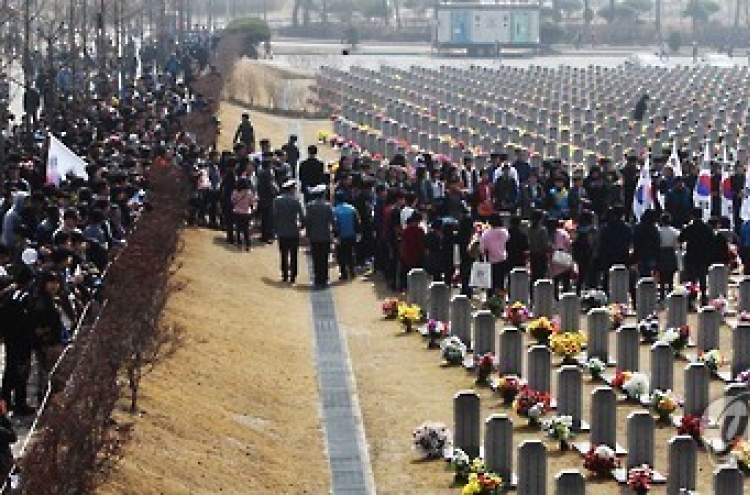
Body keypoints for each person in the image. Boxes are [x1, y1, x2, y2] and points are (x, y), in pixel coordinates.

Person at [679, 208, 715, 306]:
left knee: (692, 280)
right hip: (704, 257)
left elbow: (681, 239)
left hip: (691, 256)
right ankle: (704, 299)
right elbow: (712, 243)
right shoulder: (707, 228)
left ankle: (691, 301)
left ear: (692, 216)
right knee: (703, 279)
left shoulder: (689, 227)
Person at [273, 180, 305, 284]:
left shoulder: (277, 201)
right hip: (293, 230)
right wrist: (301, 227)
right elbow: (302, 216)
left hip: (282, 231)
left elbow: (274, 216)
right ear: (291, 189)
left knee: (283, 254)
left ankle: (285, 274)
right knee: (294, 255)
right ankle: (293, 276)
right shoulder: (296, 201)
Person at [305, 185, 335, 287]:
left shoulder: (309, 206)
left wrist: (308, 234)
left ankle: (317, 278)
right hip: (325, 235)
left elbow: (308, 221)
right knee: (324, 257)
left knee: (316, 257)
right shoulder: (328, 206)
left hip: (314, 236)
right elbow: (332, 221)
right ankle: (325, 278)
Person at [480, 213, 509, 298]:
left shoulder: (486, 234)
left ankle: (490, 301)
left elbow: (482, 249)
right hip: (503, 259)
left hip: (491, 261)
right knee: (501, 283)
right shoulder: (504, 232)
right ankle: (500, 301)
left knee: (490, 284)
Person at [333, 192, 359, 281]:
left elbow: (335, 225)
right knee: (351, 254)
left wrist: (335, 236)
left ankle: (344, 274)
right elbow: (357, 222)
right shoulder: (352, 208)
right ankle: (352, 272)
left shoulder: (335, 210)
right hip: (351, 235)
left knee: (341, 256)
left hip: (341, 236)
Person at [230, 177, 255, 251]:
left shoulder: (235, 192)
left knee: (238, 228)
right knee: (246, 230)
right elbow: (251, 203)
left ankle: (239, 244)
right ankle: (248, 246)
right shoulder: (249, 192)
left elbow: (233, 201)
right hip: (246, 213)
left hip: (237, 212)